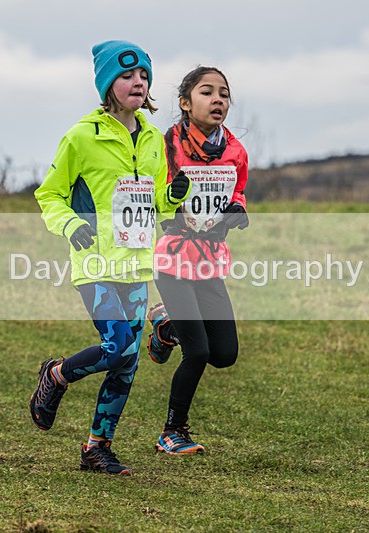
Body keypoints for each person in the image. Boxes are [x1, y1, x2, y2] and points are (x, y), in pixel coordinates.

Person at [30, 40, 191, 475]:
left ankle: (96, 449)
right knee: (118, 345)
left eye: (143, 76)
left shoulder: (154, 139)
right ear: (106, 85)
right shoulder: (82, 136)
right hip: (95, 262)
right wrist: (70, 225)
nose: (138, 82)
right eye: (126, 76)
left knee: (127, 361)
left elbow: (157, 204)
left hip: (135, 265)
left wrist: (173, 196)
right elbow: (50, 195)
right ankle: (57, 374)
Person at [147, 66, 249, 455]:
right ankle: (172, 432)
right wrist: (170, 201)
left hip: (209, 262)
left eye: (224, 93)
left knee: (224, 355)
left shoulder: (236, 151)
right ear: (185, 103)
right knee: (199, 352)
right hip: (172, 259)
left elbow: (237, 190)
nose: (218, 99)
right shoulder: (166, 145)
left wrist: (238, 210)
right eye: (207, 92)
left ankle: (166, 328)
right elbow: (152, 196)